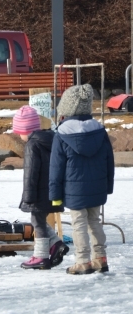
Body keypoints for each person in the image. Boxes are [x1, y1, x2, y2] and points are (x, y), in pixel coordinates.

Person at [49, 84, 114, 275]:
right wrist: (107, 187)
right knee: (95, 221)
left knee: (79, 224)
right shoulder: (100, 131)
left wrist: (55, 196)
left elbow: (56, 168)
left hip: (74, 189)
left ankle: (82, 261)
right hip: (97, 188)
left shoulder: (62, 134)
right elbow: (109, 162)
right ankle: (100, 259)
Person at [12, 106, 68, 270]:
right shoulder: (53, 140)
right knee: (39, 220)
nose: (19, 135)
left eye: (19, 132)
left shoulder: (32, 145)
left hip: (38, 192)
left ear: (25, 129)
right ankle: (57, 244)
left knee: (37, 221)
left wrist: (28, 197)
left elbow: (31, 173)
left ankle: (41, 256)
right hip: (53, 190)